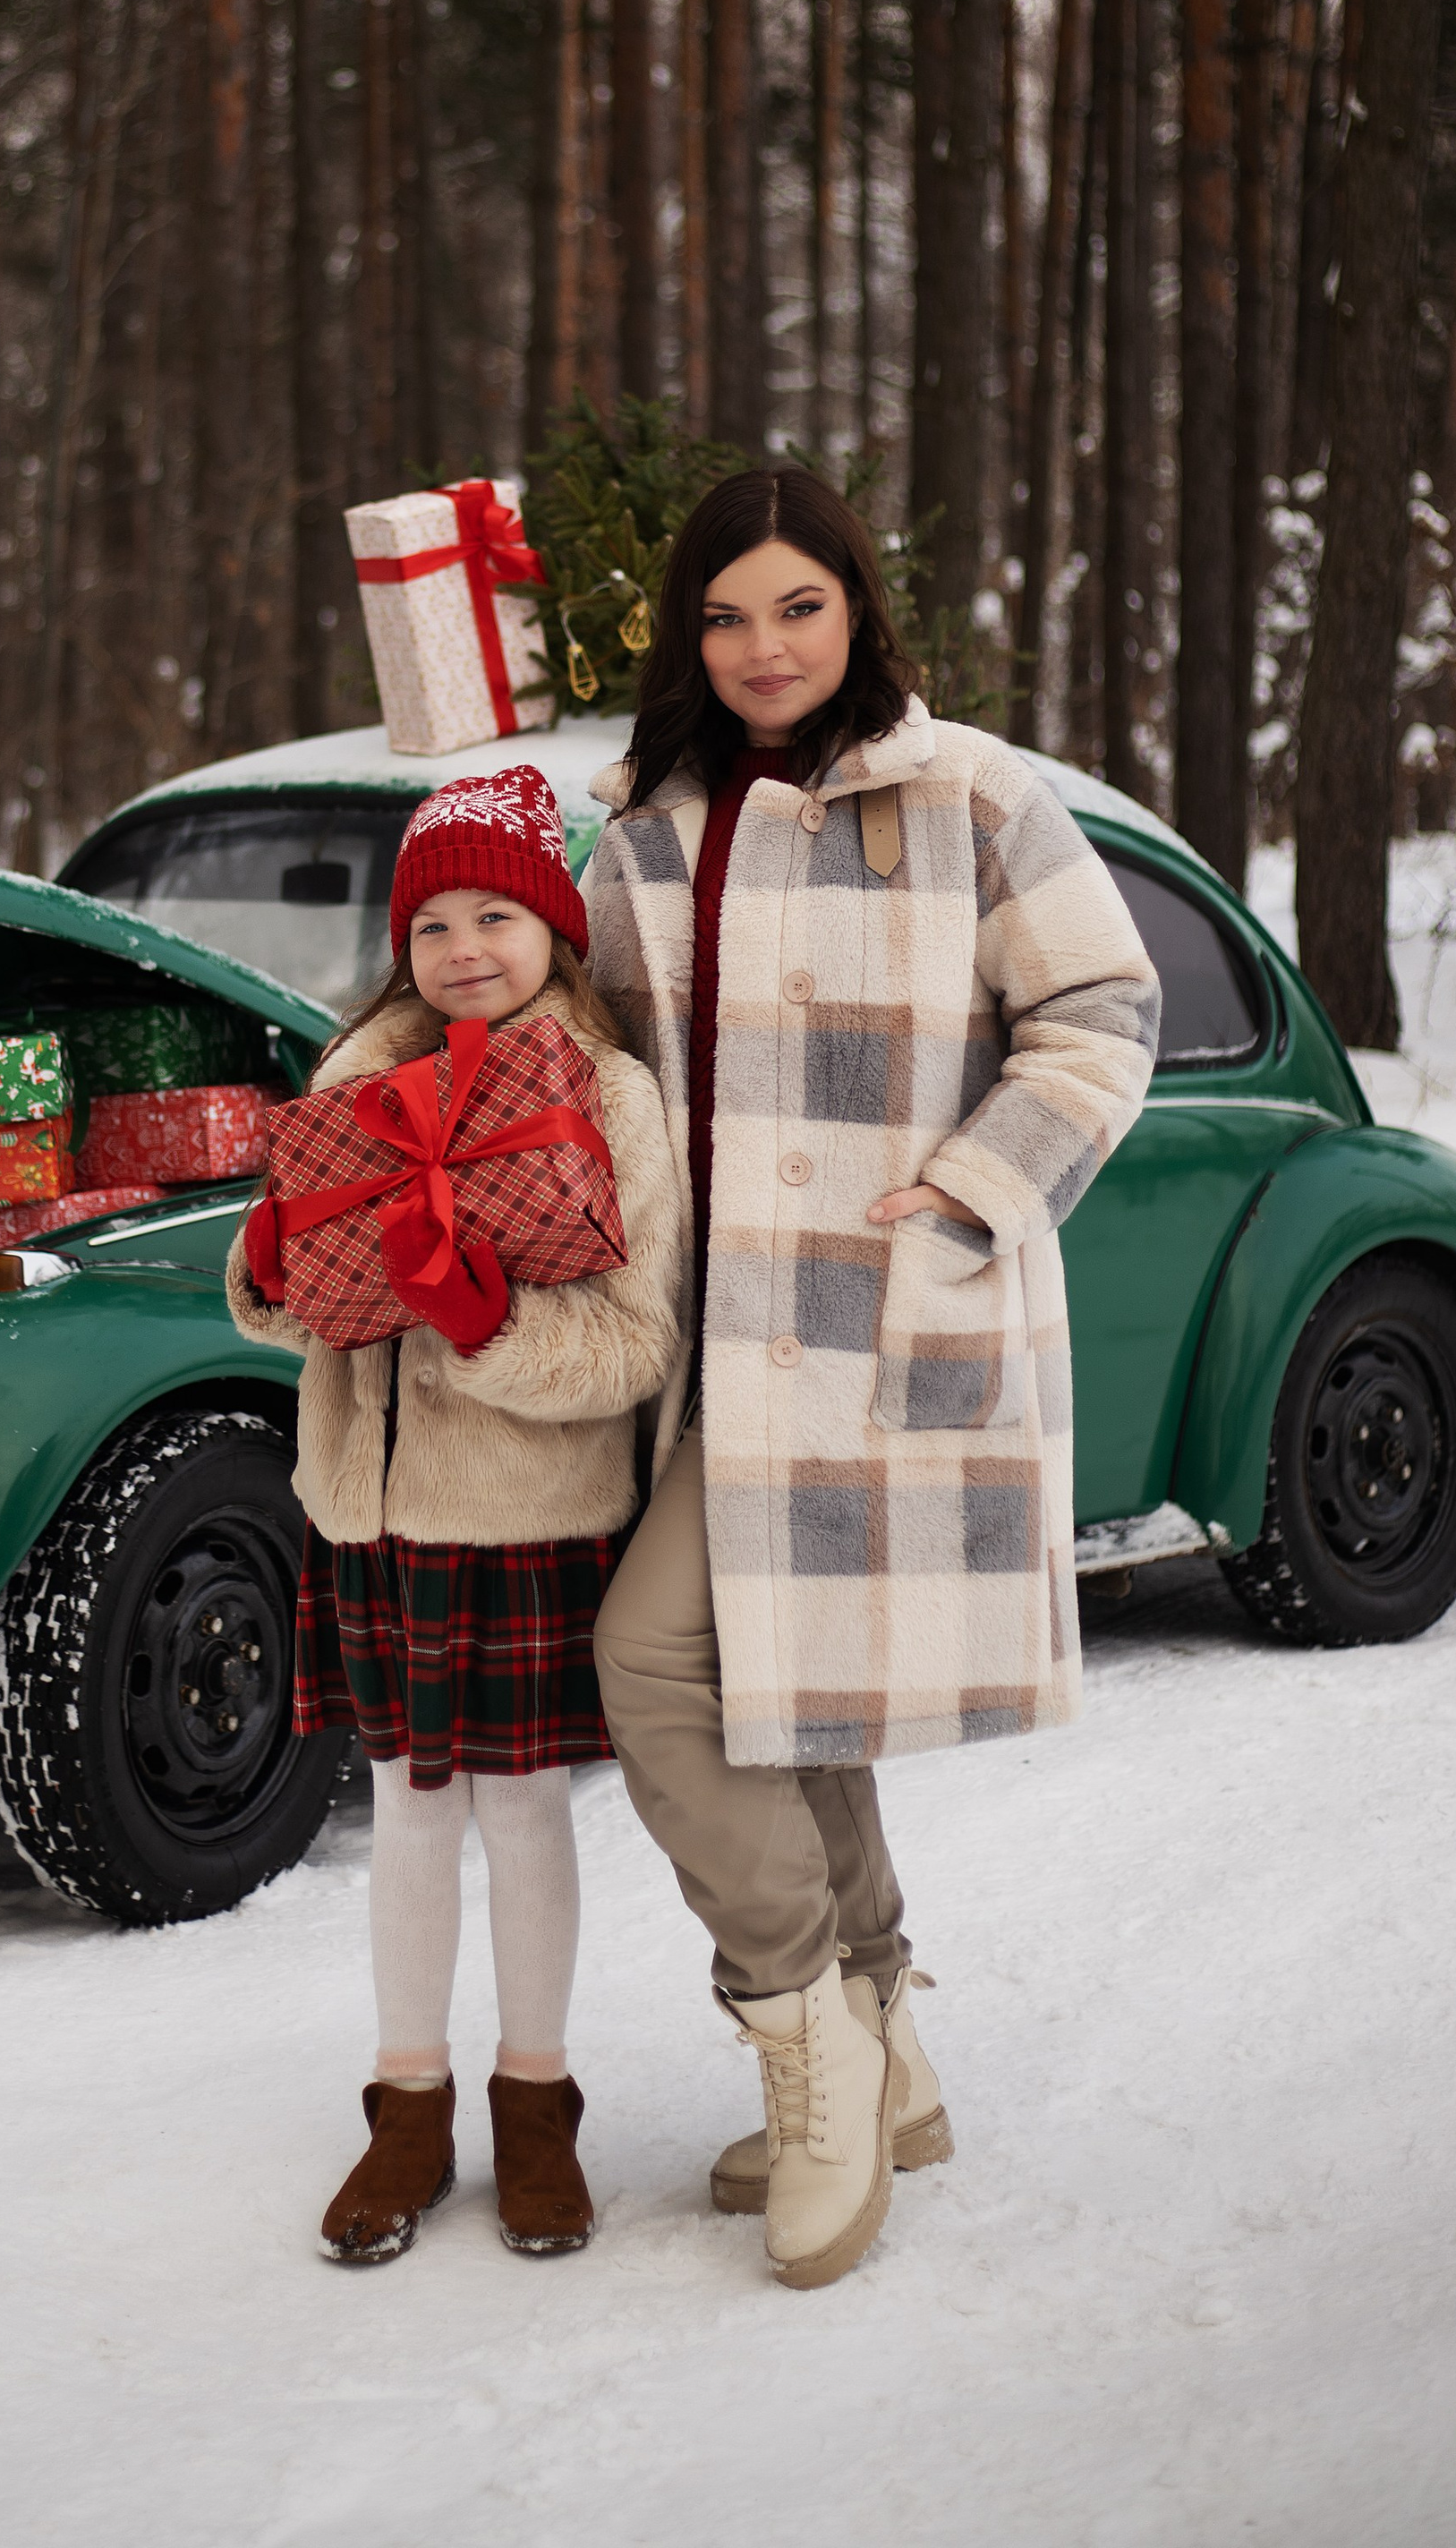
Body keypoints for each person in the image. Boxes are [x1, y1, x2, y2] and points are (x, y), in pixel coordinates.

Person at [583, 466, 1159, 2293]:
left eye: (797, 607)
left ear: (855, 610)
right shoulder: (645, 824)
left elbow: (1103, 1014)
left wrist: (978, 1185)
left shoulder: (971, 795)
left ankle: (804, 2032)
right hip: (705, 1336)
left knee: (655, 1662)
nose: (762, 649)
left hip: (874, 1316)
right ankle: (882, 2040)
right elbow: (586, 1050)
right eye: (724, 616)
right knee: (778, 1691)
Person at [227, 764, 685, 2266]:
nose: (465, 948)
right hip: (374, 1518)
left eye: (498, 915)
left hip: (526, 1518)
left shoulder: (609, 1096)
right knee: (409, 1809)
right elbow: (290, 1307)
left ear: (556, 928)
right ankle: (407, 2106)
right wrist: (274, 1266)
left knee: (522, 1808)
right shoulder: (354, 1077)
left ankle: (536, 2103)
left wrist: (486, 1326)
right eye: (432, 924)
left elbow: (636, 1345)